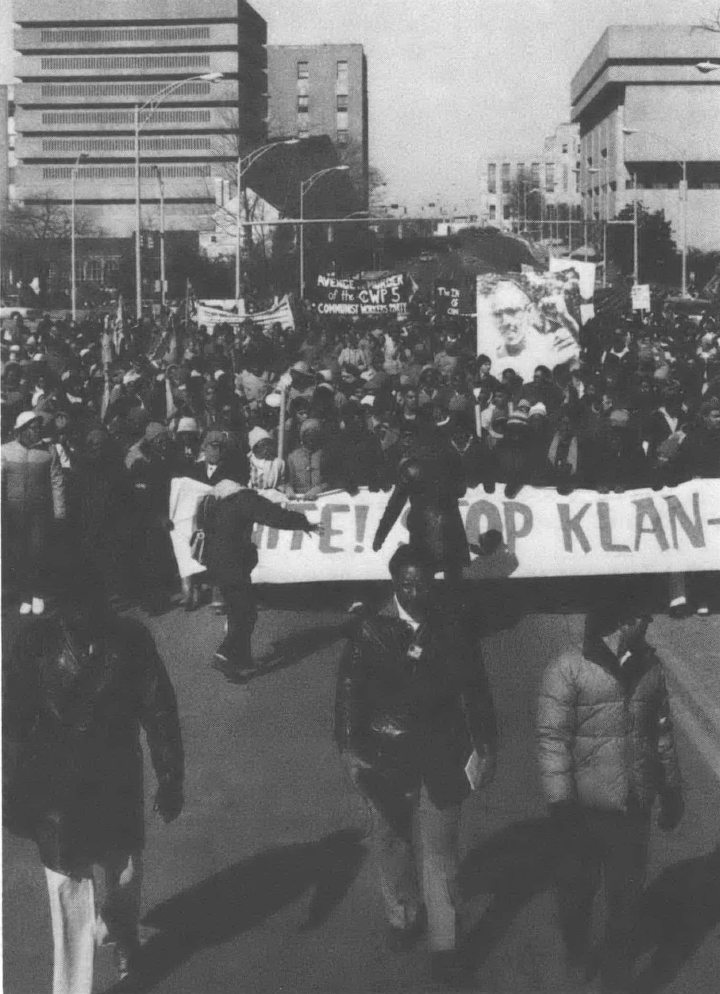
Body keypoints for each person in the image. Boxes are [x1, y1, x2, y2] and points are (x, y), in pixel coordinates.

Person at [3, 582, 184, 993]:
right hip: (56, 785)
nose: (82, 616)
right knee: (68, 887)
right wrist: (12, 789)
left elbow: (159, 710)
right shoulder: (35, 643)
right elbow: (13, 721)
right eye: (71, 606)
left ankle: (120, 932)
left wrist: (171, 777)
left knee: (124, 872)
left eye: (91, 605)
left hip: (115, 774)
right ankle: (71, 987)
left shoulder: (132, 640)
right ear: (59, 609)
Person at [335, 545, 497, 987]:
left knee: (441, 855)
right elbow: (349, 688)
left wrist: (486, 745)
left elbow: (477, 688)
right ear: (394, 584)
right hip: (386, 756)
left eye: (423, 583)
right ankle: (403, 915)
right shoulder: (369, 629)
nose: (415, 592)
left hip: (444, 753)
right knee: (392, 843)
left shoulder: (453, 626)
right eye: (406, 584)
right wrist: (350, 748)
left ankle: (445, 945)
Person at [537, 589, 684, 994]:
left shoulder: (651, 667)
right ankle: (578, 949)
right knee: (576, 895)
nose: (650, 624)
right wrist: (560, 799)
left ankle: (615, 983)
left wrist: (671, 789)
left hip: (631, 808)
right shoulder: (568, 667)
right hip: (581, 809)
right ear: (623, 620)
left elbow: (661, 733)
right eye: (643, 617)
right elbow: (552, 738)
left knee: (626, 902)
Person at [203, 476, 323, 682]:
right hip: (234, 563)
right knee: (245, 613)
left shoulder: (215, 501)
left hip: (216, 564)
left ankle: (243, 660)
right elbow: (273, 515)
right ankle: (224, 654)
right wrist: (303, 523)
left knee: (236, 610)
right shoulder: (242, 498)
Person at [2, 409, 66, 615]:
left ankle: (38, 593)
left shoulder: (49, 451)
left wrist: (60, 512)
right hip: (13, 514)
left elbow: (57, 482)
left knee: (38, 552)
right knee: (18, 555)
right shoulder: (5, 451)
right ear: (21, 430)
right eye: (32, 428)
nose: (37, 431)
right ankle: (25, 596)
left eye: (39, 428)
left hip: (40, 512)